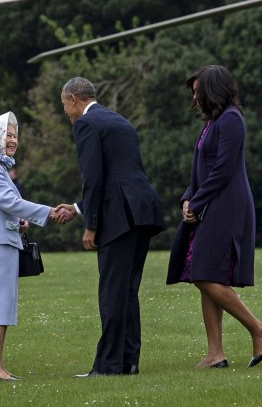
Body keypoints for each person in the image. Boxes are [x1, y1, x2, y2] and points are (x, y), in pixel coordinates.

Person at [166, 65, 262, 369]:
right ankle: (215, 353)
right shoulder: (212, 122)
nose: (195, 96)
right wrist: (188, 198)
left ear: (214, 89)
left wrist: (198, 201)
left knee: (203, 273)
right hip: (209, 204)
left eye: (198, 90)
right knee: (206, 274)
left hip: (227, 206)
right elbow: (201, 169)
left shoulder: (231, 120)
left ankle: (258, 328)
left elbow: (223, 170)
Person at [60, 77, 166, 377]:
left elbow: (93, 178)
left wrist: (91, 225)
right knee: (127, 291)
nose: (65, 112)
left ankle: (107, 366)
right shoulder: (118, 120)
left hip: (119, 217)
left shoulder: (86, 124)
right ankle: (128, 362)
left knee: (111, 292)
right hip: (142, 211)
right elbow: (117, 174)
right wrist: (79, 207)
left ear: (73, 99)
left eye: (64, 105)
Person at [0, 111, 71, 381]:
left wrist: (19, 221)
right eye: (7, 135)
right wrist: (48, 212)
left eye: (14, 136)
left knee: (1, 303)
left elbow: (0, 205)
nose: (12, 140)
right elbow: (9, 201)